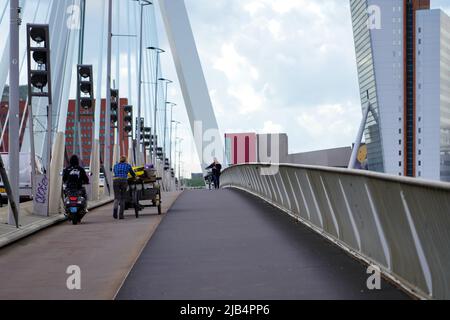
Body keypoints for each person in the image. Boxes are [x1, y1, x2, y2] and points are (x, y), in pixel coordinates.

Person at [112, 155, 136, 220]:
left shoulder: (115, 165)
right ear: (126, 160)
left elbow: (115, 172)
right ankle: (121, 215)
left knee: (116, 197)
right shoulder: (127, 165)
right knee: (123, 198)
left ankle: (115, 211)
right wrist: (134, 178)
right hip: (124, 180)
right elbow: (132, 174)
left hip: (116, 180)